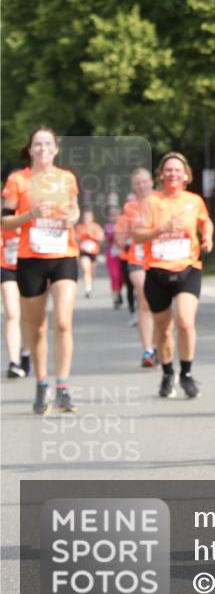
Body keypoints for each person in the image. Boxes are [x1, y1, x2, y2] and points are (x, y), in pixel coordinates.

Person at [1, 126, 79, 414]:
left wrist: (72, 217)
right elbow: (5, 221)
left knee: (63, 322)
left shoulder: (66, 178)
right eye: (38, 144)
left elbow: (74, 210)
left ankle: (63, 387)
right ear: (30, 149)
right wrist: (31, 214)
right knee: (37, 327)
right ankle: (42, 383)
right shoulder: (18, 180)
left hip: (63, 254)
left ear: (55, 149)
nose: (43, 148)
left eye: (48, 144)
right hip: (30, 258)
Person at [134, 152, 213, 399]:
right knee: (163, 328)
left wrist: (207, 236)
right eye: (168, 170)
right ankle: (168, 372)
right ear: (161, 175)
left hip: (188, 268)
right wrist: (160, 229)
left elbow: (206, 221)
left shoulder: (194, 200)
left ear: (186, 175)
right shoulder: (151, 201)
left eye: (177, 170)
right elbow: (137, 235)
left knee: (185, 322)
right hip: (157, 270)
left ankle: (186, 373)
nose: (173, 174)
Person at [120, 169, 158, 367]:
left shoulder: (162, 202)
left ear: (151, 182)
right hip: (138, 258)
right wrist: (127, 234)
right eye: (137, 183)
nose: (142, 186)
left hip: (161, 257)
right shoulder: (130, 207)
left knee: (160, 304)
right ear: (133, 187)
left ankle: (160, 344)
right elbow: (125, 236)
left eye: (144, 182)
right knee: (144, 299)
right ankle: (148, 350)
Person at [1, 222, 30, 378]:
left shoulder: (30, 215)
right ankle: (14, 361)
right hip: (6, 268)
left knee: (27, 316)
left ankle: (25, 352)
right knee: (12, 314)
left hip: (31, 268)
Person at [75, 209, 104, 298]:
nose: (86, 219)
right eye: (85, 217)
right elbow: (76, 239)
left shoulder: (96, 227)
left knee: (91, 271)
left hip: (93, 251)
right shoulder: (80, 227)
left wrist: (91, 234)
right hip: (83, 251)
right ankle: (87, 289)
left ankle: (90, 285)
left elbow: (101, 238)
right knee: (86, 269)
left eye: (88, 217)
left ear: (92, 218)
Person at [104, 208, 124, 309]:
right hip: (111, 254)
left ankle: (119, 292)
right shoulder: (108, 227)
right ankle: (115, 298)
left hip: (123, 254)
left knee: (121, 277)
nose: (114, 217)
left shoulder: (124, 226)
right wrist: (110, 237)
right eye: (111, 215)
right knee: (114, 276)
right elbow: (105, 242)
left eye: (115, 215)